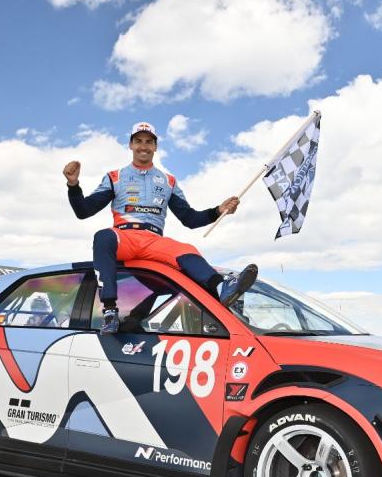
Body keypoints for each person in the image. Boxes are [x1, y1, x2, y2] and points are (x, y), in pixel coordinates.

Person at [63, 121, 257, 334]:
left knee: (187, 250)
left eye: (149, 142)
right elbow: (84, 211)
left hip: (154, 240)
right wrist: (73, 185)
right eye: (138, 141)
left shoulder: (168, 181)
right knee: (103, 237)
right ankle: (110, 311)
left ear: (155, 147)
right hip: (124, 237)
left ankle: (223, 289)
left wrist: (218, 211)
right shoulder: (115, 177)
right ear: (130, 145)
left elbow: (189, 218)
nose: (143, 146)